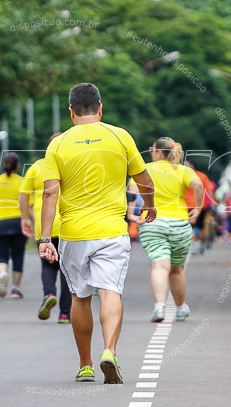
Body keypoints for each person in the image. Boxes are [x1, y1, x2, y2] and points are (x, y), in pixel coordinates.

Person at [38, 83, 155, 384]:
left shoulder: (59, 144)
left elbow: (50, 194)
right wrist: (150, 205)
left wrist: (45, 238)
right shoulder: (120, 135)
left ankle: (85, 364)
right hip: (112, 231)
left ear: (71, 111)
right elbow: (142, 177)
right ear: (100, 108)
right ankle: (110, 351)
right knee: (110, 291)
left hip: (73, 234)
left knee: (79, 296)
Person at [127, 137, 203, 323]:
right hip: (180, 224)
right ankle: (180, 309)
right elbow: (198, 185)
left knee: (159, 266)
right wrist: (198, 208)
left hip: (153, 223)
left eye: (151, 149)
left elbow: (132, 189)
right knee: (176, 270)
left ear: (159, 152)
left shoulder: (145, 170)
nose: (150, 152)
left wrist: (131, 213)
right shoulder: (183, 170)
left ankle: (159, 308)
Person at [20, 134, 72, 323]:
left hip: (45, 225)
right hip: (69, 224)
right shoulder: (72, 163)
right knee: (67, 269)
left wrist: (25, 218)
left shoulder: (36, 166)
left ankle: (49, 293)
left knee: (47, 264)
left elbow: (24, 194)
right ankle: (65, 314)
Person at [0, 152, 27, 298]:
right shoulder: (22, 182)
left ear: (3, 166)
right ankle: (15, 289)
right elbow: (27, 203)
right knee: (18, 255)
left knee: (1, 255)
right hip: (17, 223)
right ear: (18, 165)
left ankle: (2, 273)